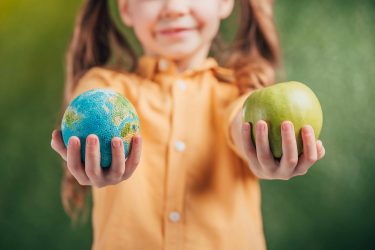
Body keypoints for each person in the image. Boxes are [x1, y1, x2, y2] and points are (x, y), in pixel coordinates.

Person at [50, 0, 326, 249]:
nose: (174, 8)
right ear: (125, 8)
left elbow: (241, 120)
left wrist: (260, 144)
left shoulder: (239, 93)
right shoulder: (105, 87)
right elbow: (85, 111)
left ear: (224, 3)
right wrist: (91, 153)